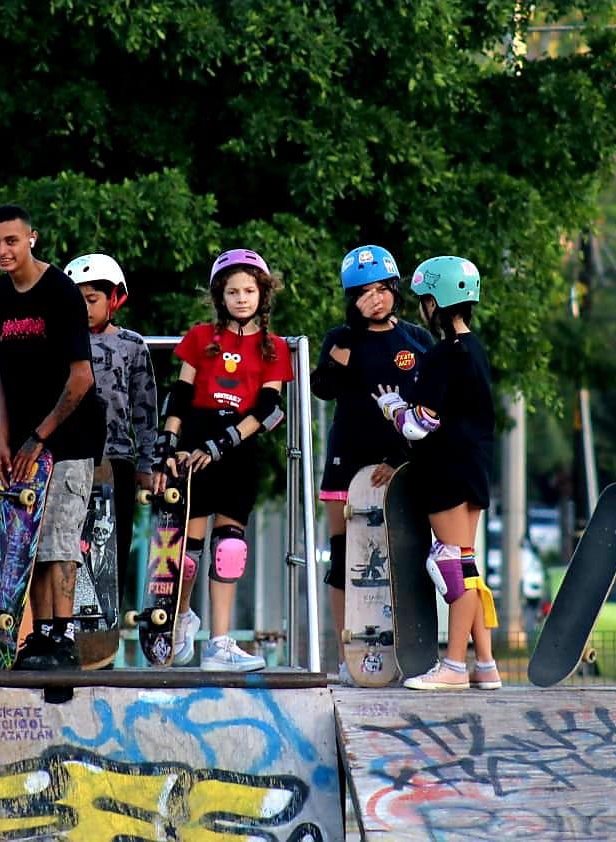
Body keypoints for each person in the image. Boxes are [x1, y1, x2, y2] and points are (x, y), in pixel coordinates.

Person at [0, 205, 105, 670]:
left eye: (11, 241)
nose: (2, 251)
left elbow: (81, 379)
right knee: (25, 540)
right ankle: (39, 638)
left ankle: (61, 636)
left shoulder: (60, 293)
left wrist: (39, 438)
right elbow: (0, 375)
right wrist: (4, 439)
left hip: (67, 438)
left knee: (59, 539)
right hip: (25, 442)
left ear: (32, 238)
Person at [152, 248, 292, 671]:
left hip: (236, 447)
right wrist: (167, 445)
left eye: (249, 290)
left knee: (229, 548)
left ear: (262, 295)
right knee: (187, 553)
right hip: (193, 443)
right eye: (233, 291)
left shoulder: (274, 348)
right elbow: (179, 394)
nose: (242, 298)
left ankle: (219, 643)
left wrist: (221, 445)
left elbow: (269, 409)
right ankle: (179, 619)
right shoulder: (199, 337)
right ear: (220, 296)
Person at [372, 255, 500, 691]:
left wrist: (391, 407)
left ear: (435, 302)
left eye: (424, 299)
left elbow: (418, 425)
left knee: (450, 565)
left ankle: (454, 667)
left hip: (445, 469)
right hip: (475, 467)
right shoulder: (476, 350)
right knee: (466, 563)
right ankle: (485, 664)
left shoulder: (442, 356)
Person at [312, 245, 434, 685]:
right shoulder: (341, 338)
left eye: (382, 289)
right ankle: (349, 657)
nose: (375, 299)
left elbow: (434, 406)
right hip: (347, 460)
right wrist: (348, 334)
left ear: (396, 291)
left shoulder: (418, 340)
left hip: (402, 465)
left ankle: (405, 653)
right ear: (351, 298)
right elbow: (324, 387)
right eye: (364, 293)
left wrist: (400, 458)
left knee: (402, 559)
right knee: (344, 558)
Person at [64, 253, 159, 634]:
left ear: (114, 299)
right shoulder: (60, 345)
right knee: (68, 543)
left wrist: (147, 464)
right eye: (77, 301)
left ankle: (106, 629)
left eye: (91, 300)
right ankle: (64, 625)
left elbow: (145, 407)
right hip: (69, 458)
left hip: (116, 459)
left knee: (111, 549)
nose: (84, 309)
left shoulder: (132, 346)